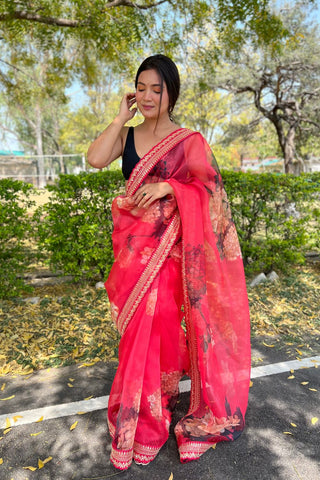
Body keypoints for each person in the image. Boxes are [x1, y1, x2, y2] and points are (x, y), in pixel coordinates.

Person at [87, 54, 251, 470]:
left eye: (155, 89)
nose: (145, 96)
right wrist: (120, 119)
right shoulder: (128, 134)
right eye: (140, 88)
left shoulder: (187, 141)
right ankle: (142, 407)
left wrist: (168, 187)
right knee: (134, 333)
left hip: (169, 252)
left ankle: (149, 417)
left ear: (170, 93)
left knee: (157, 322)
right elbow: (95, 158)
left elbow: (210, 192)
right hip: (131, 252)